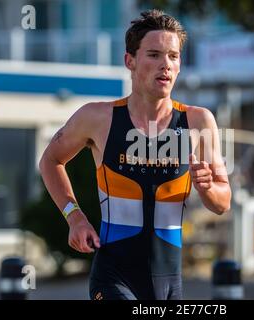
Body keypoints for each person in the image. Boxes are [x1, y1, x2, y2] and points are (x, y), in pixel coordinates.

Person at [39, 9, 231, 300]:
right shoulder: (98, 117)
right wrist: (74, 217)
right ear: (130, 61)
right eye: (154, 55)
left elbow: (222, 203)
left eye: (173, 56)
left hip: (169, 283)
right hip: (113, 277)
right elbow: (50, 161)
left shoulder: (198, 122)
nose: (165, 65)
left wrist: (207, 188)